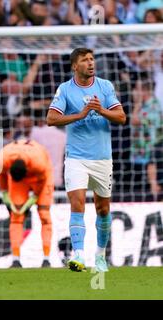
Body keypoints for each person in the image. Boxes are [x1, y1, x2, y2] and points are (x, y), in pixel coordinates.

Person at [46, 47, 126, 272]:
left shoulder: (105, 86)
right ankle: (79, 255)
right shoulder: (65, 89)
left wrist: (100, 110)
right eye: (85, 60)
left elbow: (121, 117)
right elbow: (51, 118)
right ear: (75, 66)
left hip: (102, 157)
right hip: (76, 158)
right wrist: (80, 114)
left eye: (92, 59)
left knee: (103, 209)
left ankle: (100, 256)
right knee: (77, 203)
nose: (90, 63)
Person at [0, 138, 54, 268]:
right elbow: (1, 174)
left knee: (44, 214)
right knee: (16, 217)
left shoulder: (39, 163)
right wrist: (4, 192)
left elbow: (43, 180)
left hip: (42, 177)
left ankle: (46, 259)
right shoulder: (2, 159)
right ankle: (15, 260)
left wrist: (33, 199)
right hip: (19, 178)